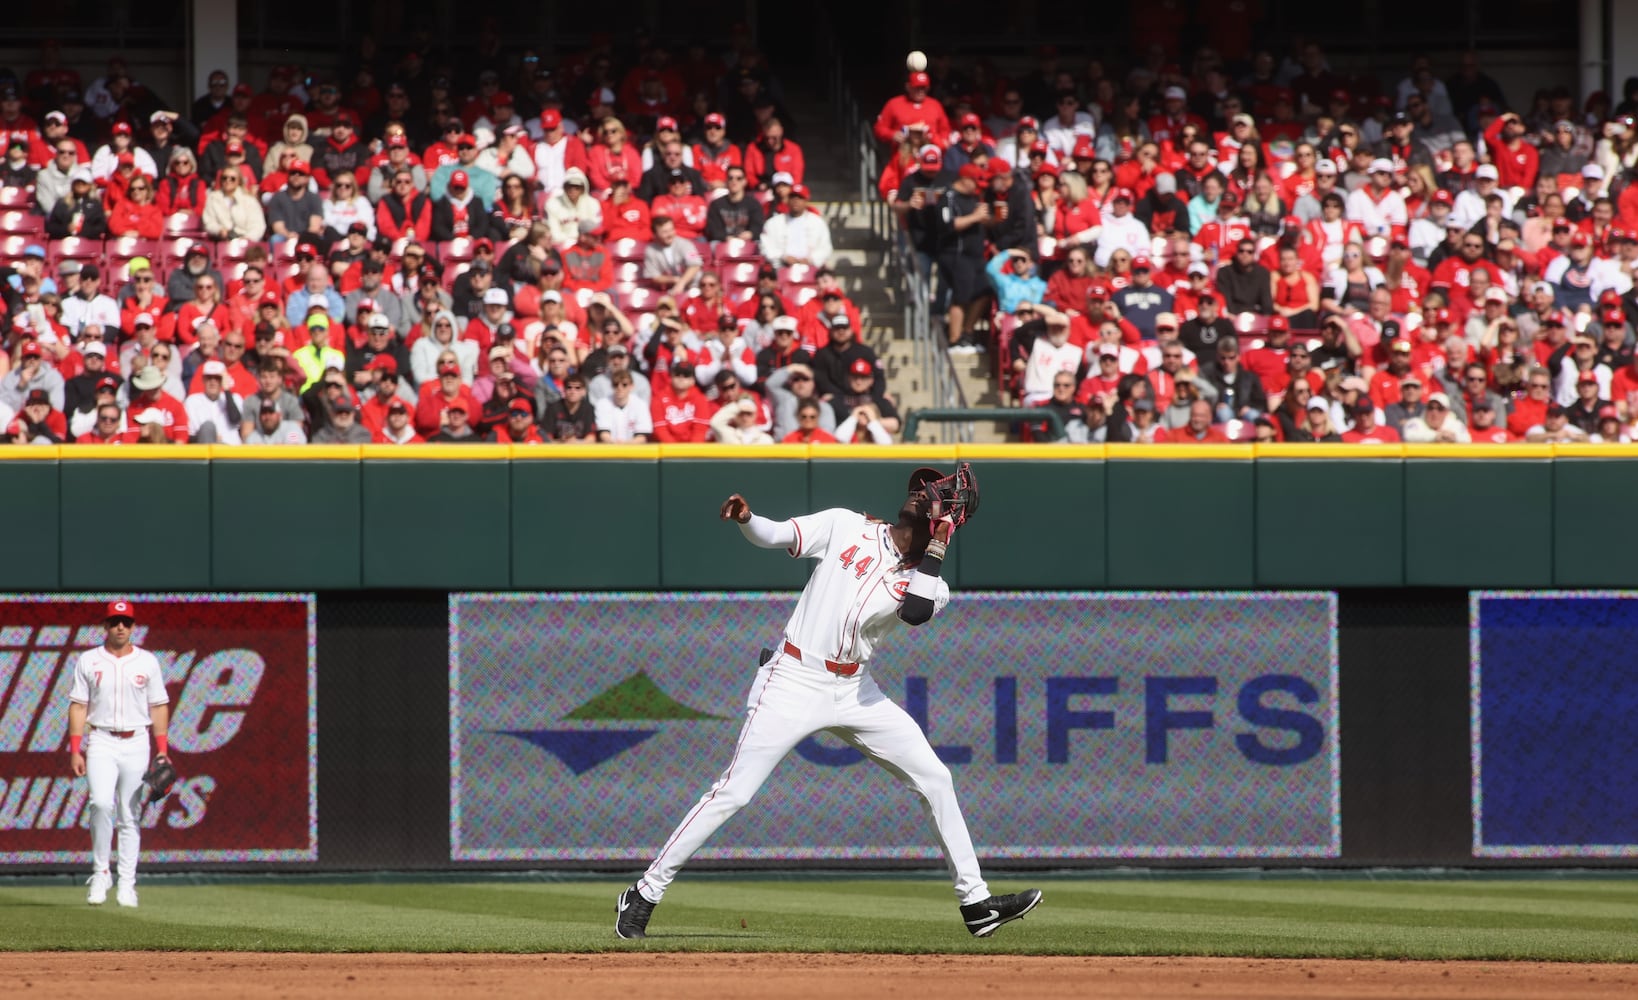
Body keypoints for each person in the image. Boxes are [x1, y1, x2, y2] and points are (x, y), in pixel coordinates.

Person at [616, 472, 1042, 940]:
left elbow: (915, 611)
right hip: (794, 677)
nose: (921, 494)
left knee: (936, 779)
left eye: (935, 495)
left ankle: (976, 904)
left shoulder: (933, 585)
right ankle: (643, 893)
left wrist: (939, 544)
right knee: (734, 792)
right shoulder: (847, 525)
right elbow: (776, 534)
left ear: (951, 518)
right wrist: (747, 518)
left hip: (857, 690)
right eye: (921, 489)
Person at [67, 600, 170, 909]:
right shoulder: (89, 660)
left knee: (129, 815)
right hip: (100, 739)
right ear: (105, 626)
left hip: (137, 740)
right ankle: (101, 873)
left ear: (133, 626)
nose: (120, 627)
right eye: (114, 622)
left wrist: (163, 751)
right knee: (100, 803)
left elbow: (159, 705)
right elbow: (78, 705)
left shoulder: (147, 661)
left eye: (125, 621)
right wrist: (75, 748)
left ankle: (127, 882)